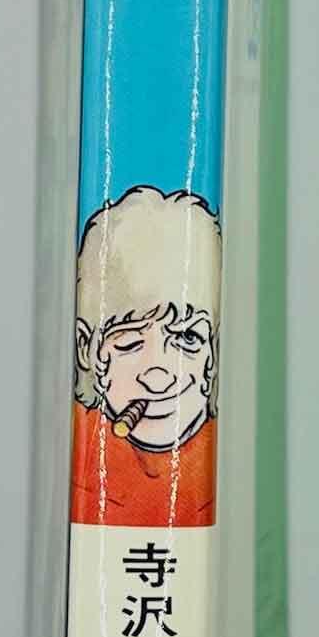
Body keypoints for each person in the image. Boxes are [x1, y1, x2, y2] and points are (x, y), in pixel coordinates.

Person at [70, 185, 220, 528]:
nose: (158, 375)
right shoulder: (79, 452)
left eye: (187, 338)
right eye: (128, 343)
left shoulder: (228, 465)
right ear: (86, 348)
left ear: (212, 355)